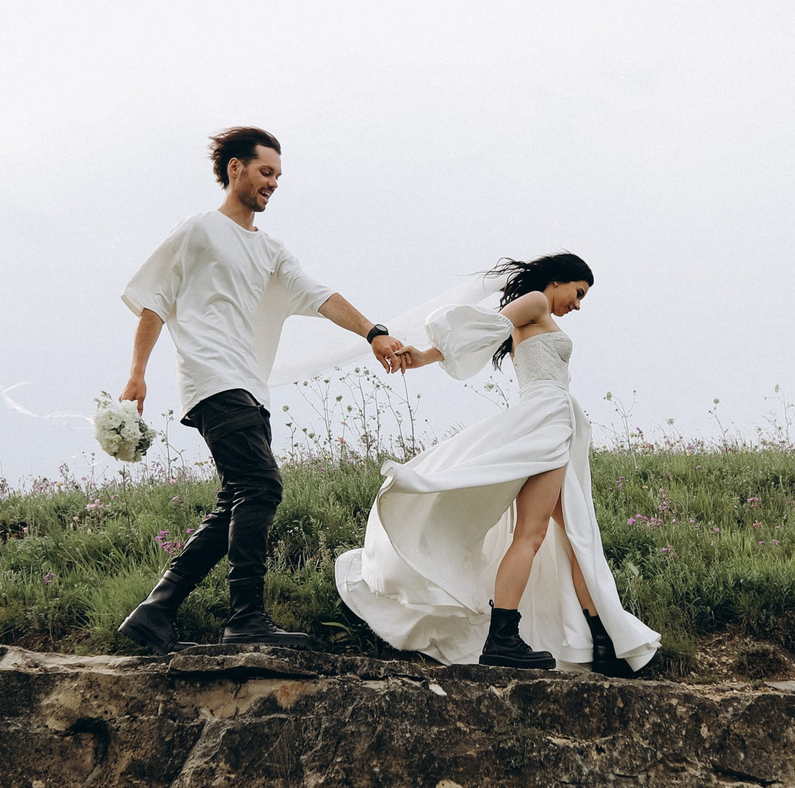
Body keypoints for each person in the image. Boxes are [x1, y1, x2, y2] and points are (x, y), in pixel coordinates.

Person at [116, 127, 411, 651]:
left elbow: (319, 294)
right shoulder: (200, 230)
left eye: (277, 175)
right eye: (265, 171)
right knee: (261, 486)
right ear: (235, 168)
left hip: (251, 387)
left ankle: (155, 612)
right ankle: (245, 618)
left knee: (238, 497)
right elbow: (154, 301)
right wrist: (138, 372)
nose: (273, 183)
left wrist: (373, 332)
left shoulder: (270, 250)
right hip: (212, 379)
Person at [334, 254, 660, 674]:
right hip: (545, 420)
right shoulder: (537, 302)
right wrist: (425, 356)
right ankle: (503, 639)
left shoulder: (541, 313)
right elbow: (488, 326)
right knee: (532, 534)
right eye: (578, 293)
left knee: (575, 537)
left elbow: (492, 329)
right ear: (558, 281)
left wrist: (426, 357)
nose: (578, 305)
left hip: (555, 422)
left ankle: (602, 643)